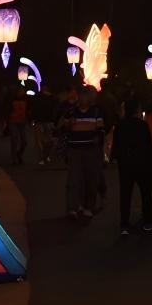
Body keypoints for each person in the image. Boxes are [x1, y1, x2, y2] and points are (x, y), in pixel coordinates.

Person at [112, 99, 152, 234]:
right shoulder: (142, 125)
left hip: (126, 164)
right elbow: (148, 147)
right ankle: (148, 221)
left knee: (125, 194)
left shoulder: (120, 125)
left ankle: (124, 224)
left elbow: (116, 146)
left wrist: (116, 158)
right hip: (142, 164)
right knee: (146, 193)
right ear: (137, 110)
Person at [60, 86, 106, 219]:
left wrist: (98, 138)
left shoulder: (96, 112)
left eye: (86, 96)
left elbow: (101, 129)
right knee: (74, 179)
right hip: (74, 150)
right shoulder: (71, 112)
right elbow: (63, 128)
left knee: (90, 179)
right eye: (81, 96)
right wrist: (69, 124)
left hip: (91, 150)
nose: (83, 98)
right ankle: (72, 208)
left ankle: (88, 206)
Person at [30, 87, 57, 164]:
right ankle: (44, 156)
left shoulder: (48, 98)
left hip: (44, 121)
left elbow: (33, 109)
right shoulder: (49, 98)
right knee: (44, 140)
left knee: (44, 140)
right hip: (44, 121)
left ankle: (44, 156)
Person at [6, 88, 29, 165]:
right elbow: (7, 110)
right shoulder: (11, 100)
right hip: (13, 121)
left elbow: (28, 110)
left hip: (23, 122)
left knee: (24, 141)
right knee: (14, 140)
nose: (21, 93)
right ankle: (14, 158)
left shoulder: (26, 100)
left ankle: (19, 154)